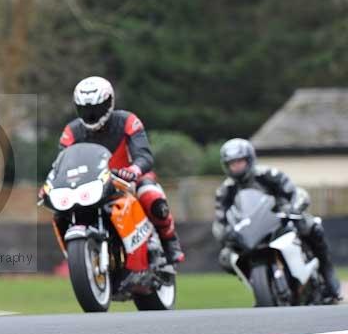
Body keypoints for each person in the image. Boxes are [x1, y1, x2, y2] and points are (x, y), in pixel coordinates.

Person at [43, 76, 185, 263]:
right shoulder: (71, 131)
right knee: (61, 212)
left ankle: (169, 242)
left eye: (96, 108)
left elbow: (144, 155)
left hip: (128, 177)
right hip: (92, 183)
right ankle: (79, 255)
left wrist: (134, 169)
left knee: (151, 196)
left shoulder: (128, 120)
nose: (91, 114)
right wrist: (51, 183)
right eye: (85, 109)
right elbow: (61, 163)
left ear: (109, 103)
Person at [213, 138, 342, 301]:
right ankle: (260, 286)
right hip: (250, 233)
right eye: (232, 163)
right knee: (225, 257)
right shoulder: (225, 191)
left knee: (312, 227)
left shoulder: (268, 174)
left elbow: (292, 192)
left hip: (280, 220)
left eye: (239, 161)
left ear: (249, 160)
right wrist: (224, 234)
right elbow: (220, 219)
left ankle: (327, 274)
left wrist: (292, 208)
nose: (236, 166)